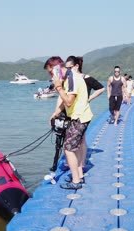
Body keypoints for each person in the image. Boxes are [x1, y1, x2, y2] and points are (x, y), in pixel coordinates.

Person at [45, 56, 93, 190]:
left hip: (80, 118)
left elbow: (69, 101)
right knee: (74, 147)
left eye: (51, 72)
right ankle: (79, 176)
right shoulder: (69, 77)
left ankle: (76, 181)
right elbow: (66, 102)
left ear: (57, 69)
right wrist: (55, 114)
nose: (51, 75)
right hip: (80, 116)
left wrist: (58, 86)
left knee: (68, 149)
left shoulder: (71, 79)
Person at [65, 56, 104, 173]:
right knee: (76, 140)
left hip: (81, 112)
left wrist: (89, 98)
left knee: (81, 140)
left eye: (69, 67)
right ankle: (75, 164)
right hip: (72, 110)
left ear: (77, 66)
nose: (67, 70)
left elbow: (100, 88)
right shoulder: (70, 78)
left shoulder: (84, 78)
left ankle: (81, 164)